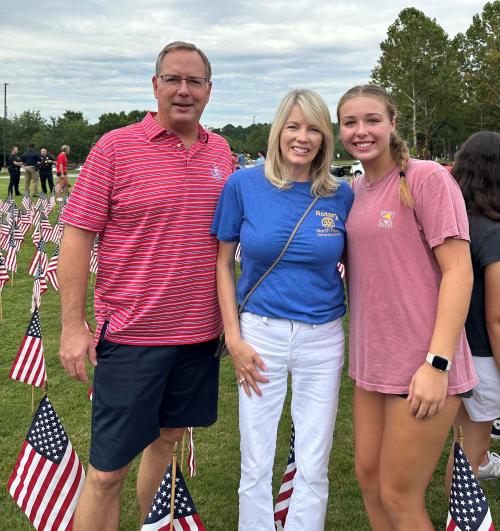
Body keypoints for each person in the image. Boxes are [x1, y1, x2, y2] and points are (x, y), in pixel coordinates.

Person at [58, 41, 233, 530]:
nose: (183, 90)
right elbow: (76, 235)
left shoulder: (221, 152)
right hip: (133, 337)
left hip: (198, 337)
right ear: (155, 85)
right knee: (107, 471)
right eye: (173, 79)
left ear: (209, 91)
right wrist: (73, 326)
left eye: (194, 81)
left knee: (166, 444)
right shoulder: (115, 148)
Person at [337, 84, 478, 530]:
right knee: (370, 479)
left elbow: (459, 272)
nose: (362, 131)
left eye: (372, 120)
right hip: (371, 363)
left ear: (393, 123)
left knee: (400, 496)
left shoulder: (426, 178)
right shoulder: (353, 191)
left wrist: (437, 364)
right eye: (350, 122)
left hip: (423, 364)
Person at [212, 88, 354, 530]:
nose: (302, 137)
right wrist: (233, 338)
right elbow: (222, 264)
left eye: (313, 128)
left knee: (314, 459)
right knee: (256, 457)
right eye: (293, 126)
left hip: (323, 337)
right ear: (278, 131)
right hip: (261, 334)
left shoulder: (341, 194)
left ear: (325, 138)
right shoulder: (242, 184)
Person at [448, 131, 500, 482]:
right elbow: (496, 317)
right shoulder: (493, 231)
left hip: (448, 348)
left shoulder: (452, 221)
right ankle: (462, 518)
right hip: (482, 353)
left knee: (461, 441)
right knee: (471, 451)